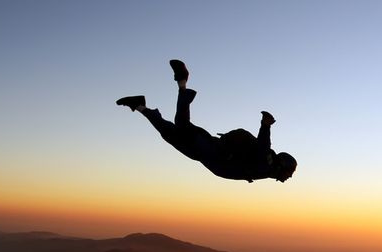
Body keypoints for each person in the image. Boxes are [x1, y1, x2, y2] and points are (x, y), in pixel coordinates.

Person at [116, 60, 297, 183]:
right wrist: (265, 126)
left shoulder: (266, 167)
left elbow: (260, 151)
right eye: (289, 173)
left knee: (171, 133)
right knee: (180, 126)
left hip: (209, 156)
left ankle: (141, 106)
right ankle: (182, 82)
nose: (288, 178)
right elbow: (262, 148)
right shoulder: (266, 162)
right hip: (211, 151)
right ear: (282, 165)